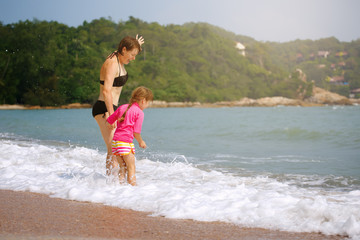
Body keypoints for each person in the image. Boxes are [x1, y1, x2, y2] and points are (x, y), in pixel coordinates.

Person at [92, 35, 144, 176]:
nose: (133, 58)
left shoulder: (119, 56)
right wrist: (111, 114)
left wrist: (136, 44)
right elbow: (106, 90)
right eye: (132, 54)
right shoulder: (112, 63)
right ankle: (111, 184)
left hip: (112, 109)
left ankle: (117, 183)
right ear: (124, 49)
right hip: (104, 108)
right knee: (113, 149)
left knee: (118, 148)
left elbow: (126, 47)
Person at [106, 86, 153, 186]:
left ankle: (120, 188)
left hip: (115, 143)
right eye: (148, 102)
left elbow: (109, 121)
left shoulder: (122, 107)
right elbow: (136, 132)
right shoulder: (139, 113)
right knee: (131, 168)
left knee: (123, 167)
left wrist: (111, 125)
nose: (147, 105)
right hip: (125, 143)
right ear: (143, 100)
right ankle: (133, 190)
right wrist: (141, 141)